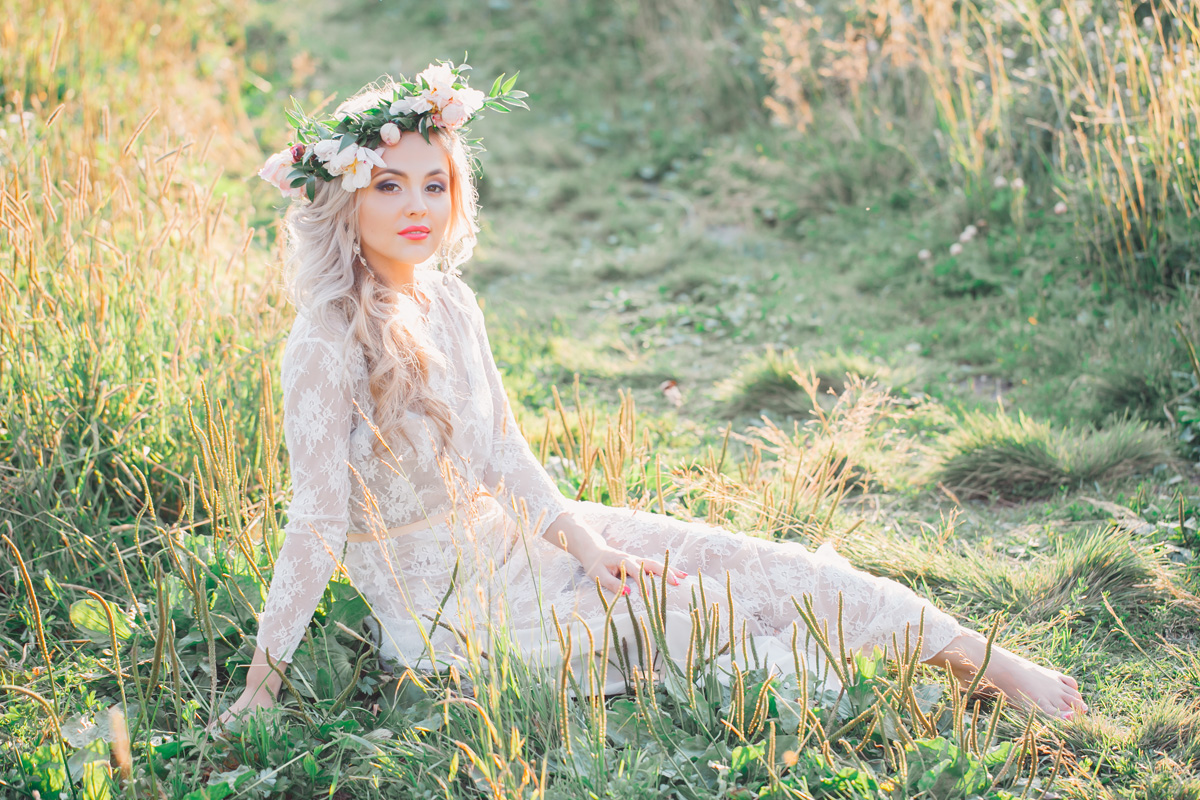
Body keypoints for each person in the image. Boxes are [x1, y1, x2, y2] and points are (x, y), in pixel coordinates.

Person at [217, 62, 1087, 727]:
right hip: (453, 607)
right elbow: (318, 525)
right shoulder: (324, 345)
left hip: (520, 533)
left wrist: (587, 544)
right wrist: (263, 687)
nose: (418, 206)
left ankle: (980, 658)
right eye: (389, 185)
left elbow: (505, 452)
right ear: (345, 199)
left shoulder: (450, 299)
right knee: (691, 607)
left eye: (434, 183)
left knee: (744, 557)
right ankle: (882, 690)